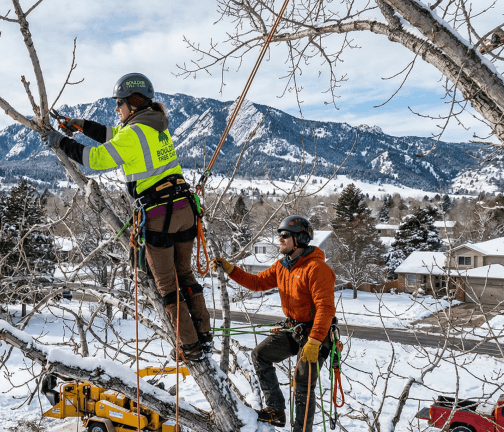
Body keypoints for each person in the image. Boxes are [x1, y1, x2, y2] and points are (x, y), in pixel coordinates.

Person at [43, 73, 212, 361]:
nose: (116, 110)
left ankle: (191, 347)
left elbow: (95, 159)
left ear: (133, 103)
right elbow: (115, 136)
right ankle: (203, 336)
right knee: (185, 275)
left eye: (119, 104)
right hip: (184, 209)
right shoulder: (156, 127)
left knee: (167, 286)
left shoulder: (134, 133)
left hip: (161, 213)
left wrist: (59, 141)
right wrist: (81, 126)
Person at [211, 215, 337, 432]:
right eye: (279, 234)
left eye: (285, 235)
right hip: (294, 329)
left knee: (303, 385)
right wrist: (231, 269)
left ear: (300, 239)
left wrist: (315, 341)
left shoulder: (317, 268)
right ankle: (276, 411)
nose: (280, 239)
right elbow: (257, 283)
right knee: (260, 354)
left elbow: (326, 308)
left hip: (317, 332)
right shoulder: (283, 266)